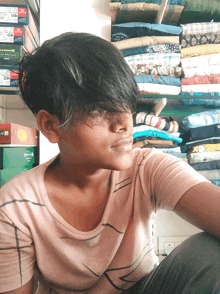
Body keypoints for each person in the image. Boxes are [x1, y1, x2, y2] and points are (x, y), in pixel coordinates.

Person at [0, 32, 220, 294]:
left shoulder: (147, 168)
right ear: (51, 125)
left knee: (208, 252)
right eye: (99, 111)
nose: (125, 122)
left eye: (125, 104)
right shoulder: (16, 207)